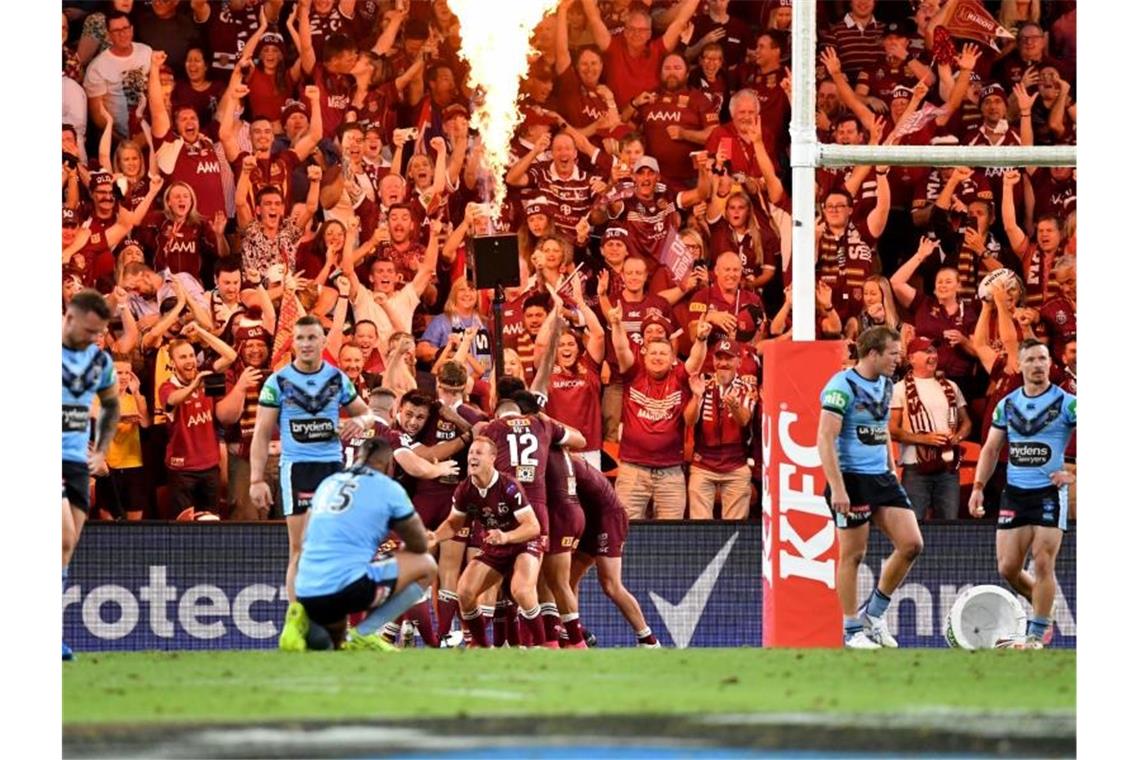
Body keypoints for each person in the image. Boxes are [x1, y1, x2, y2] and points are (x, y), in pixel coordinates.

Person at [250, 315, 375, 649]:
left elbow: (368, 414)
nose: (306, 344)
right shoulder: (277, 382)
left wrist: (358, 423)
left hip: (333, 468)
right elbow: (261, 433)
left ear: (323, 341)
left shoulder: (337, 379)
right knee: (300, 547)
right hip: (297, 469)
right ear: (293, 342)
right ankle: (296, 623)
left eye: (312, 338)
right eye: (301, 338)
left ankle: (340, 628)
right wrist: (256, 479)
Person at [818, 325, 923, 649]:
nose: (898, 359)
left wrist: (891, 467)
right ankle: (851, 631)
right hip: (851, 479)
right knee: (853, 555)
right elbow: (825, 438)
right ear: (873, 353)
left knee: (911, 544)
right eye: (893, 353)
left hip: (882, 477)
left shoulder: (887, 385)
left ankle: (873, 614)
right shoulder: (841, 386)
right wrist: (838, 489)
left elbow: (881, 429)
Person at [969, 338, 1075, 648]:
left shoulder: (1068, 403)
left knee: (1043, 562)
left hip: (1049, 494)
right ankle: (1046, 606)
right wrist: (977, 487)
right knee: (1008, 568)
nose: (1038, 365)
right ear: (1021, 365)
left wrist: (1072, 474)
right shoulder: (1007, 404)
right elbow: (991, 448)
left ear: (1050, 364)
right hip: (1014, 493)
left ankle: (1036, 632)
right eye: (1031, 360)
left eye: (1043, 359)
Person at [291, 435, 439, 652]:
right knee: (426, 566)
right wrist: (425, 539)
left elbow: (305, 539)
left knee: (331, 644)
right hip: (349, 587)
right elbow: (417, 545)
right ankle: (364, 633)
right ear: (389, 465)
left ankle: (302, 624)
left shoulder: (328, 483)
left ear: (357, 458)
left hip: (306, 589)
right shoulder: (388, 488)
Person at [428, 437, 544, 648]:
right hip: (496, 545)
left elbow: (533, 527)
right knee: (464, 592)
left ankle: (543, 645)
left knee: (521, 590)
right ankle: (482, 646)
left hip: (523, 542)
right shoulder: (465, 489)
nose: (472, 456)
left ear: (493, 458)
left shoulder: (509, 487)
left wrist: (506, 536)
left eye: (478, 453)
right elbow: (453, 524)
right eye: (471, 452)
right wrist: (435, 536)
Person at [62, 291, 122, 660]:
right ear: (69, 318)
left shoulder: (100, 360)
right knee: (61, 537)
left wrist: (101, 449)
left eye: (99, 332)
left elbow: (112, 403)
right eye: (88, 331)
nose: (94, 338)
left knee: (65, 553)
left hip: (76, 461)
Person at [610, 306, 710, 520]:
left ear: (672, 356)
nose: (658, 357)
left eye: (663, 353)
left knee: (670, 537)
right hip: (632, 470)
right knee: (625, 533)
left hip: (670, 473)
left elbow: (696, 361)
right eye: (653, 352)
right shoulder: (634, 372)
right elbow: (621, 349)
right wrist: (617, 325)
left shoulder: (680, 377)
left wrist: (701, 340)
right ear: (644, 355)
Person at [569, 454, 659, 648]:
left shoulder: (565, 463)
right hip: (588, 519)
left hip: (609, 518)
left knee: (611, 585)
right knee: (567, 581)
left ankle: (648, 640)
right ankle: (574, 632)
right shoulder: (552, 461)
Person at [889, 337, 971, 521]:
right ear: (911, 358)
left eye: (934, 351)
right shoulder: (899, 389)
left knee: (949, 523)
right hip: (915, 468)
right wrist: (925, 439)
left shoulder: (951, 386)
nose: (933, 355)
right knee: (913, 524)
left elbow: (967, 423)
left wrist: (956, 438)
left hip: (948, 467)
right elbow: (892, 430)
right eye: (926, 352)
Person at [684, 338, 755, 520]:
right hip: (703, 465)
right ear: (713, 360)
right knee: (700, 529)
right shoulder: (702, 384)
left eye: (729, 358)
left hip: (736, 465)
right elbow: (689, 420)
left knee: (734, 530)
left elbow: (745, 419)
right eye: (719, 358)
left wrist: (734, 406)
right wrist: (696, 397)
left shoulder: (747, 389)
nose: (723, 363)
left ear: (739, 361)